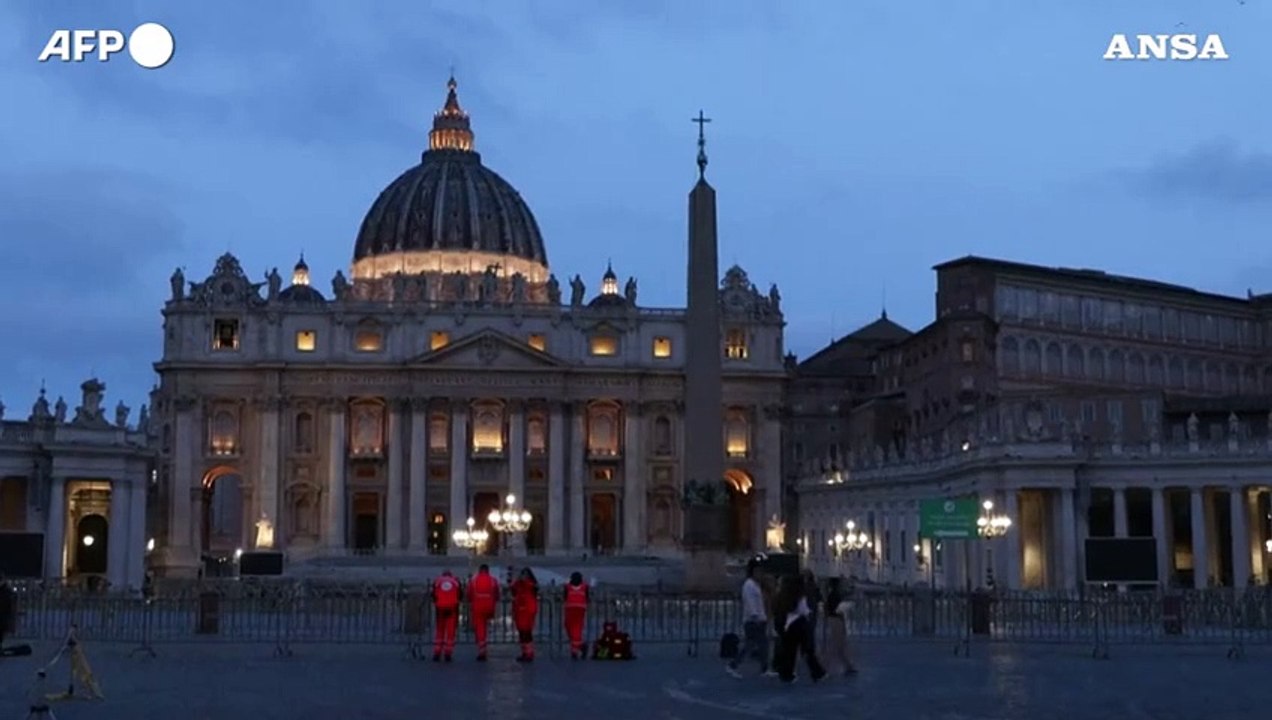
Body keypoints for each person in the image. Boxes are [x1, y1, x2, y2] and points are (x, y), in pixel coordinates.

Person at [772, 574, 826, 684]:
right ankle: (817, 673)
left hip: (787, 625)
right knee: (807, 650)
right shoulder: (800, 596)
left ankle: (786, 674)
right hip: (800, 624)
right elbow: (804, 610)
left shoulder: (782, 596)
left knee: (789, 651)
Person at [726, 558, 770, 678]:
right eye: (759, 571)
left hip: (758, 619)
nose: (761, 574)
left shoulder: (755, 585)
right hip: (753, 621)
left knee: (761, 645)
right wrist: (755, 615)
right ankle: (733, 665)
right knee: (751, 645)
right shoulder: (749, 585)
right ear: (753, 572)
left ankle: (764, 668)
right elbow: (750, 602)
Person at [822, 576, 857, 675]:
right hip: (836, 620)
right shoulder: (835, 595)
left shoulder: (832, 595)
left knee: (837, 645)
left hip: (834, 620)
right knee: (838, 645)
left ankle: (846, 665)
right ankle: (846, 666)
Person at [468, 564, 500, 661]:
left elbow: (469, 594)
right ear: (488, 570)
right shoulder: (493, 580)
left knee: (480, 628)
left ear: (479, 570)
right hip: (489, 606)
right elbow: (497, 594)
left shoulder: (474, 580)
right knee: (485, 626)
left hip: (478, 607)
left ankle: (482, 650)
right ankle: (484, 643)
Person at [431, 569, 462, 662]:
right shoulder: (455, 582)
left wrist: (437, 602)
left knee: (440, 631)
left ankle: (437, 653)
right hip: (452, 608)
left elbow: (433, 595)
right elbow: (460, 595)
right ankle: (448, 653)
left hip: (440, 608)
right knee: (450, 632)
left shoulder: (438, 581)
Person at [511, 568, 539, 662]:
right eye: (522, 574)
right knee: (521, 632)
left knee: (526, 632)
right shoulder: (518, 584)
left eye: (525, 574)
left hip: (528, 611)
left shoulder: (530, 585)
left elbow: (533, 587)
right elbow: (512, 588)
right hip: (520, 611)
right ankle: (525, 652)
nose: (523, 576)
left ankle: (529, 653)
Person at [563, 571, 590, 659]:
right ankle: (581, 646)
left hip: (579, 611)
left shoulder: (584, 587)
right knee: (569, 628)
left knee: (576, 630)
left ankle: (574, 651)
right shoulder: (567, 587)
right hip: (570, 610)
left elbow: (587, 597)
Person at [802, 568, 823, 652]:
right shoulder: (812, 585)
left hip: (809, 608)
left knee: (809, 629)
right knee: (809, 629)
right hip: (810, 608)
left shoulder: (809, 586)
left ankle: (808, 647)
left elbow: (818, 597)